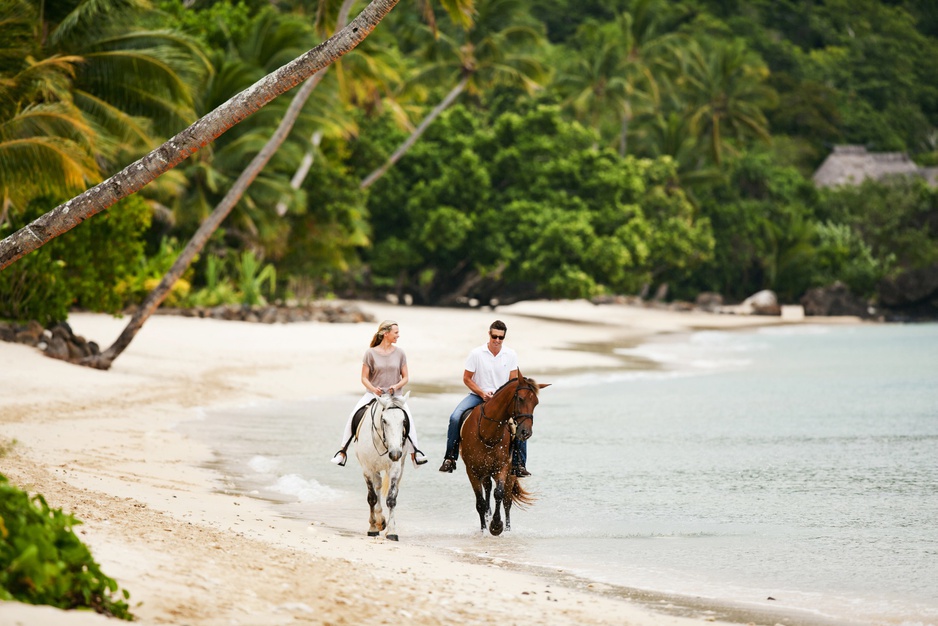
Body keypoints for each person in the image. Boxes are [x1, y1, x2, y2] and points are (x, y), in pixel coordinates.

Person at [438, 320, 530, 477]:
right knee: (455, 417)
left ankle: (519, 464)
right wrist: (482, 393)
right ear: (489, 334)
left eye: (501, 338)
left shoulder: (511, 355)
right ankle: (450, 458)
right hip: (477, 396)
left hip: (501, 400)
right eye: (494, 336)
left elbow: (513, 382)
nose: (497, 340)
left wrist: (500, 396)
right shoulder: (476, 354)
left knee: (519, 423)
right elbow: (467, 379)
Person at [331, 320, 427, 467]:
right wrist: (373, 388)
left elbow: (406, 377)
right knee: (353, 416)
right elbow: (364, 378)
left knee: (409, 420)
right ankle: (342, 452)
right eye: (396, 333)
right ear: (385, 333)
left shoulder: (400, 353)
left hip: (395, 396)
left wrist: (396, 386)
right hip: (373, 395)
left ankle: (416, 454)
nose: (398, 335)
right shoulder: (370, 353)